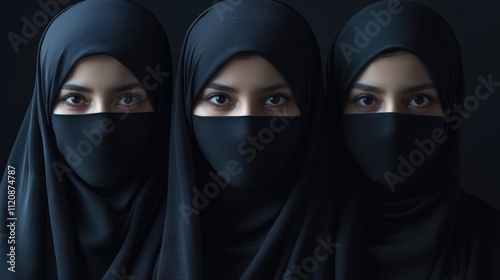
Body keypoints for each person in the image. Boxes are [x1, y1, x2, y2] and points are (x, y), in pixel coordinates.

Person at [159, 0, 335, 279]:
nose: (246, 130)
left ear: (309, 105)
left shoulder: (345, 247)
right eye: (220, 99)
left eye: (274, 99)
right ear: (186, 110)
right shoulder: (145, 249)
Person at [327, 0, 500, 279]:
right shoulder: (304, 239)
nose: (392, 126)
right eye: (366, 100)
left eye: (419, 100)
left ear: (450, 108)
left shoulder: (490, 240)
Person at [0, 0, 171, 278]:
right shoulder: (10, 237)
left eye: (127, 99)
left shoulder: (198, 232)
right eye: (75, 98)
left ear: (160, 104)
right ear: (45, 108)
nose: (101, 127)